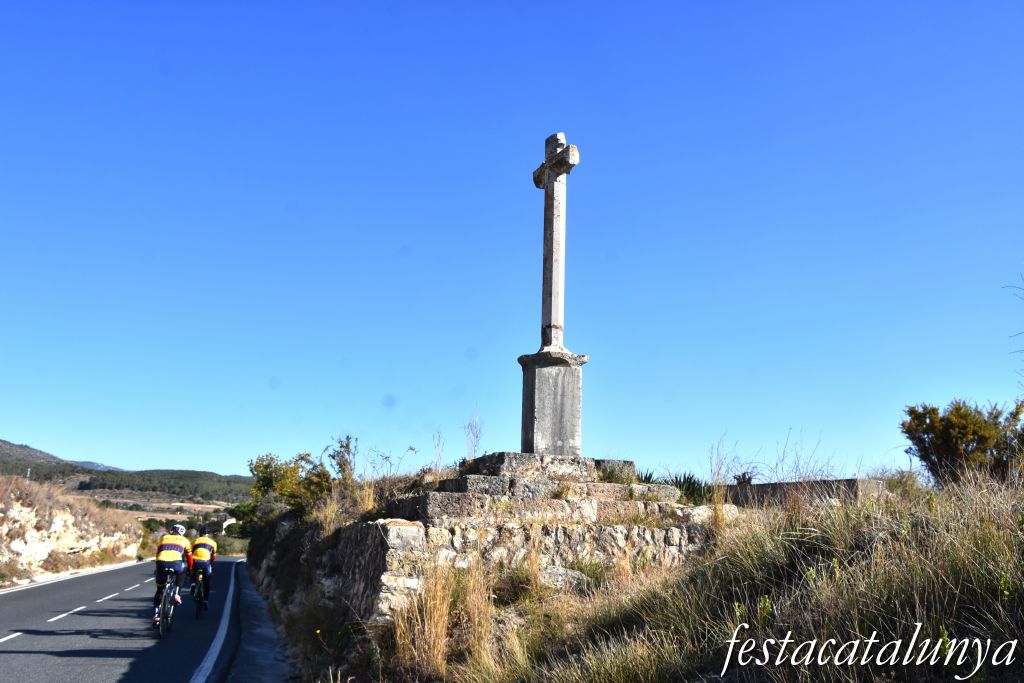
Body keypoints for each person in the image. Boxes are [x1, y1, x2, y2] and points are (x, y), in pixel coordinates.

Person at [152, 523, 192, 624]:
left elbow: (158, 553)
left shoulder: (164, 538)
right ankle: (177, 594)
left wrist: (158, 566)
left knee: (159, 589)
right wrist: (191, 569)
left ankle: (156, 615)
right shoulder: (185, 540)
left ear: (172, 530)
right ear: (182, 533)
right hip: (176, 564)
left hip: (161, 563)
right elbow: (189, 557)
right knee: (182, 572)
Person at [190, 526, 218, 606]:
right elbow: (213, 556)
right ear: (208, 534)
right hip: (206, 562)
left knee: (192, 572)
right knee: (207, 582)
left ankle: (193, 584)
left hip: (195, 561)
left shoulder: (195, 541)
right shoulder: (213, 543)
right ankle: (205, 600)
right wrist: (211, 565)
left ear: (200, 533)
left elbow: (190, 553)